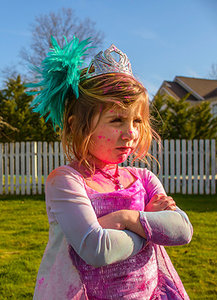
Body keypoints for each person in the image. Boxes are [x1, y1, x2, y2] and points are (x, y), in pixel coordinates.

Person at [28, 37, 193, 299]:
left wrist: (125, 219)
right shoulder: (65, 181)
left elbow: (183, 230)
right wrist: (151, 227)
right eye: (116, 120)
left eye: (137, 121)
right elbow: (98, 249)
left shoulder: (143, 178)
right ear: (75, 126)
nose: (130, 133)